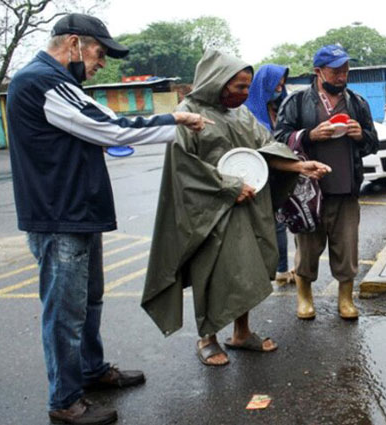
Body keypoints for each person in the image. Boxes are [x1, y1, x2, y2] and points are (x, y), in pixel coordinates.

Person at [6, 13, 210, 425]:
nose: (102, 63)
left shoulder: (60, 83)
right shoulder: (41, 82)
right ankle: (65, 400)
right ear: (74, 43)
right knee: (64, 312)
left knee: (89, 301)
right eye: (100, 52)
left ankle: (91, 370)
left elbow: (92, 133)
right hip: (59, 216)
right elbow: (111, 128)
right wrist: (174, 119)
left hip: (77, 212)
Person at [141, 50, 330, 367]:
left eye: (247, 87)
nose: (245, 94)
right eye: (239, 87)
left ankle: (242, 333)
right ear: (218, 82)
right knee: (212, 273)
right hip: (207, 213)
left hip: (248, 207)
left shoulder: (241, 115)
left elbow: (264, 152)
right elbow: (183, 167)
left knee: (248, 270)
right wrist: (227, 187)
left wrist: (299, 166)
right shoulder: (189, 113)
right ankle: (208, 338)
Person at [274, 44, 379, 320]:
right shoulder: (296, 102)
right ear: (318, 71)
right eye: (335, 70)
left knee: (347, 249)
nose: (342, 75)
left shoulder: (356, 102)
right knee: (307, 249)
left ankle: (345, 299)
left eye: (345, 69)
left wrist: (361, 135)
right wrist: (309, 135)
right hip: (308, 192)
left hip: (346, 190)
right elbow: (277, 140)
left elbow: (372, 143)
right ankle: (305, 297)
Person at [244, 64, 294, 285]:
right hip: (256, 177)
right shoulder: (247, 112)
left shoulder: (280, 107)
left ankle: (282, 269)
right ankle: (269, 271)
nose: (279, 89)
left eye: (282, 85)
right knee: (267, 226)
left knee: (281, 223)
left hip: (280, 176)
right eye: (276, 85)